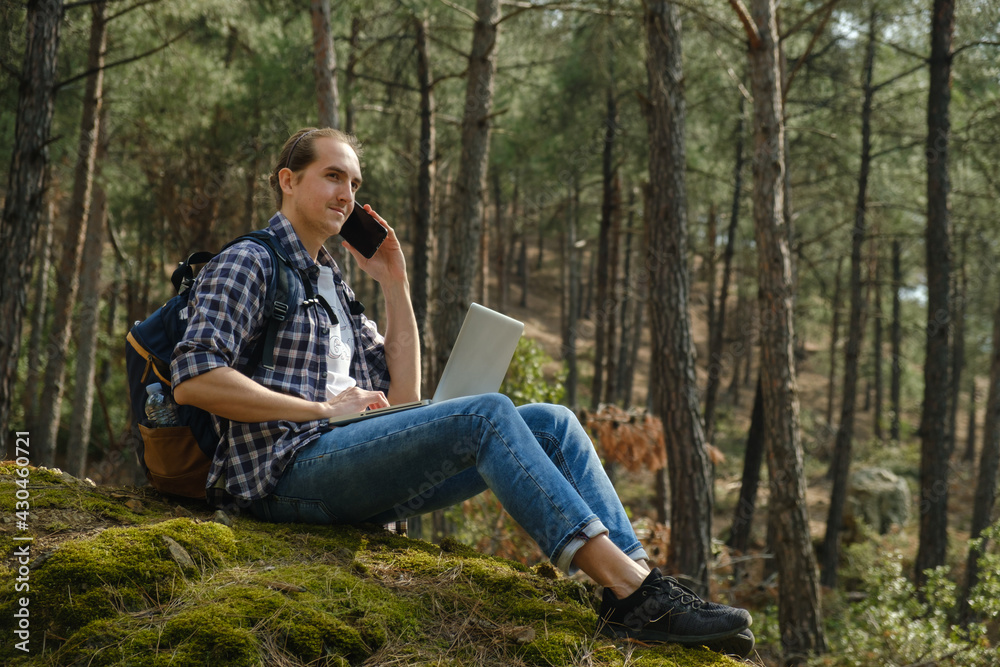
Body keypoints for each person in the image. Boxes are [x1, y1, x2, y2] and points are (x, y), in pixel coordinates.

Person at [170, 127, 754, 657]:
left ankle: (641, 587)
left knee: (551, 420)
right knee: (486, 415)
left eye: (354, 182)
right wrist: (322, 409)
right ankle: (636, 592)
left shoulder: (335, 287)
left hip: (340, 460)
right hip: (280, 474)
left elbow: (406, 395)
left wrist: (395, 284)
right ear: (288, 181)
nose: (346, 193)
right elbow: (195, 379)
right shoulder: (249, 261)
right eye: (332, 175)